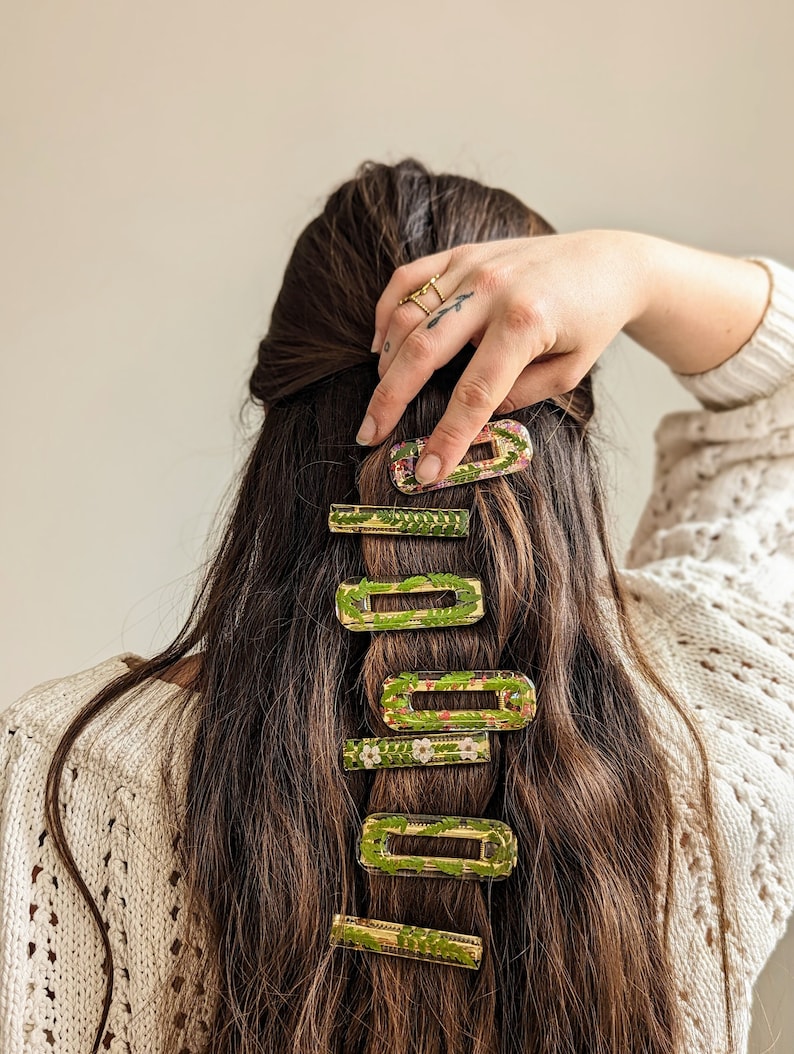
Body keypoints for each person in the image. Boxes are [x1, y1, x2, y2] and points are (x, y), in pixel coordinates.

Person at [0, 159, 792, 1054]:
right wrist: (638, 270)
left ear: (280, 411)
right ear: (566, 419)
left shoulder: (61, 781)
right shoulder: (720, 724)